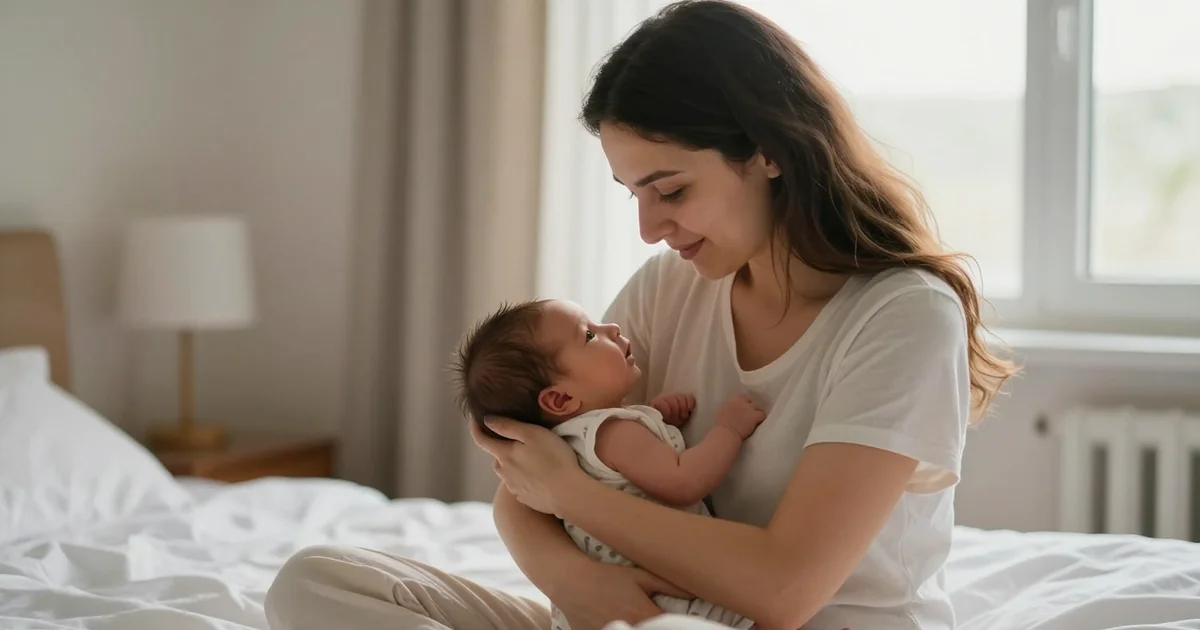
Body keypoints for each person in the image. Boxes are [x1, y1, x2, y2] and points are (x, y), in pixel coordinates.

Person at [263, 1, 1016, 629]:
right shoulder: (670, 286)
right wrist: (574, 580)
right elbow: (523, 484)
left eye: (672, 191)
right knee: (318, 582)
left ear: (768, 152)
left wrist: (574, 499)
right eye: (635, 195)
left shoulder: (903, 317)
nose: (651, 228)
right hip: (637, 613)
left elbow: (785, 591)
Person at [449, 298, 768, 630]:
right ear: (560, 399)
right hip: (668, 603)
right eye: (589, 335)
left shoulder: (569, 441)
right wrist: (728, 430)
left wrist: (660, 418)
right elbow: (684, 480)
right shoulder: (616, 433)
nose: (611, 328)